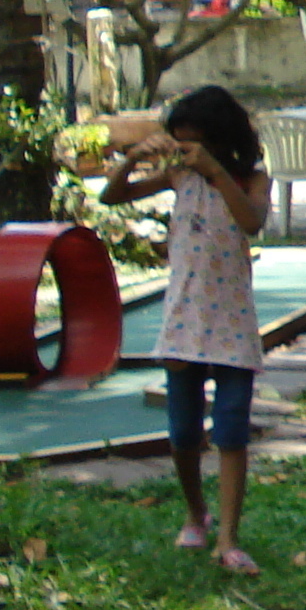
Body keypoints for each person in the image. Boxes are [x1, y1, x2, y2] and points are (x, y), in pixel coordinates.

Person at [100, 85, 272, 576]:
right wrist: (132, 159)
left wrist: (216, 172)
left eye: (194, 143)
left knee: (233, 429)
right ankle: (196, 513)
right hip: (184, 319)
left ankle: (228, 538)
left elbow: (251, 222)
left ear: (220, 141)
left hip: (232, 321)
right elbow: (112, 196)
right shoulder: (177, 177)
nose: (185, 152)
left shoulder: (252, 180)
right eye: (180, 143)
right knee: (182, 430)